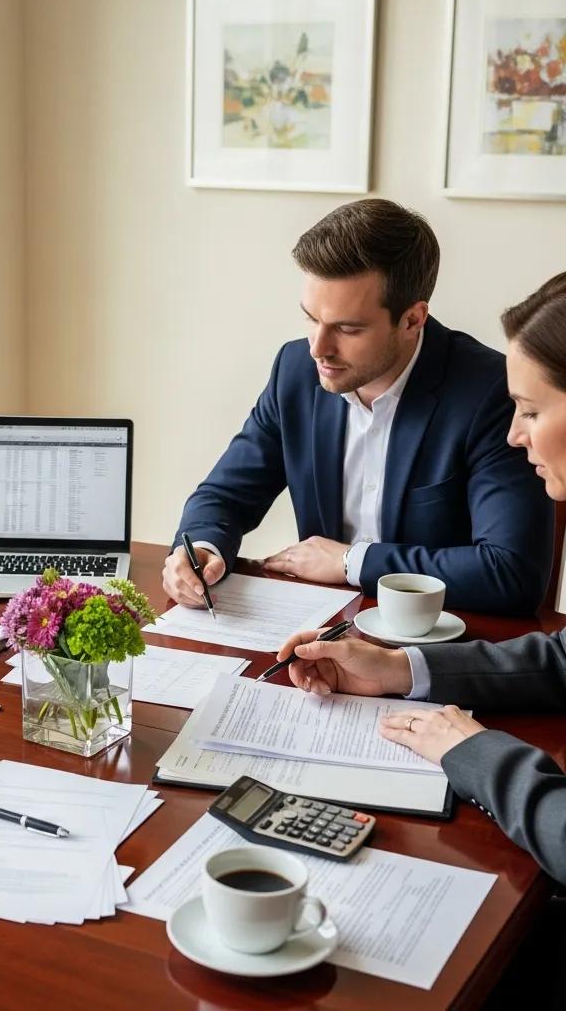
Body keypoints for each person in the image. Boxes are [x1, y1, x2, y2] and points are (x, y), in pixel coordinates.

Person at [275, 270, 566, 884]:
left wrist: (475, 751)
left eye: (532, 411)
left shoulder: (471, 389)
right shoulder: (296, 375)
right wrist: (404, 670)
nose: (516, 434)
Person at [163, 199, 553, 616]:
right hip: (320, 632)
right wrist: (200, 546)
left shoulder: (491, 391)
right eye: (312, 318)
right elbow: (225, 495)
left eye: (347, 329)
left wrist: (352, 562)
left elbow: (510, 573)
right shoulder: (295, 371)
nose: (318, 348)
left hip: (445, 648)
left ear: (412, 319)